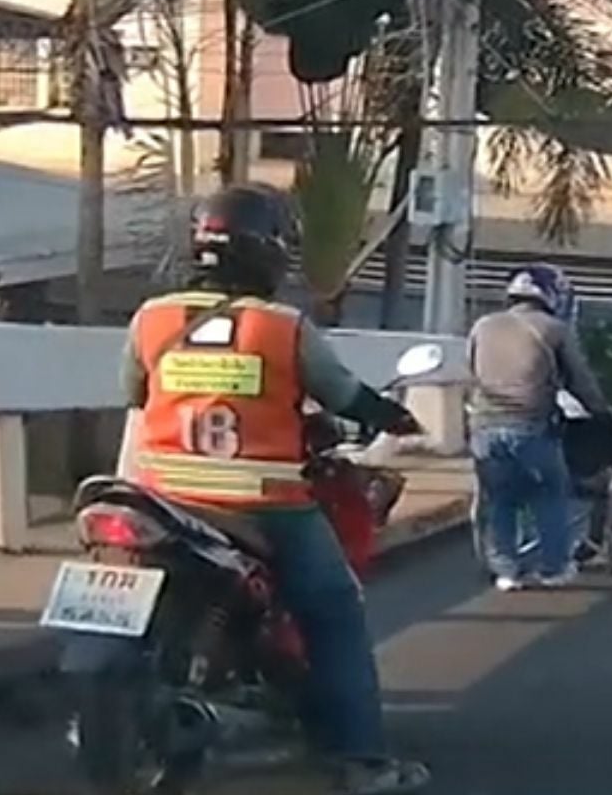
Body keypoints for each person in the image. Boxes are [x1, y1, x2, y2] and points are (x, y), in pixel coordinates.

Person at [119, 183, 429, 794]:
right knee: (335, 613)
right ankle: (363, 761)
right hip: (264, 504)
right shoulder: (283, 327)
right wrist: (392, 415)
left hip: (160, 498)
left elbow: (134, 392)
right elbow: (344, 396)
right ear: (267, 251)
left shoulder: (150, 318)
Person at [467, 263, 612, 591]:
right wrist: (603, 414)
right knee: (550, 493)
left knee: (501, 497)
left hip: (483, 427)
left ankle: (506, 571)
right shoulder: (554, 330)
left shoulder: (483, 326)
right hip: (531, 425)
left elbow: (472, 371)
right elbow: (580, 381)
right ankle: (554, 568)